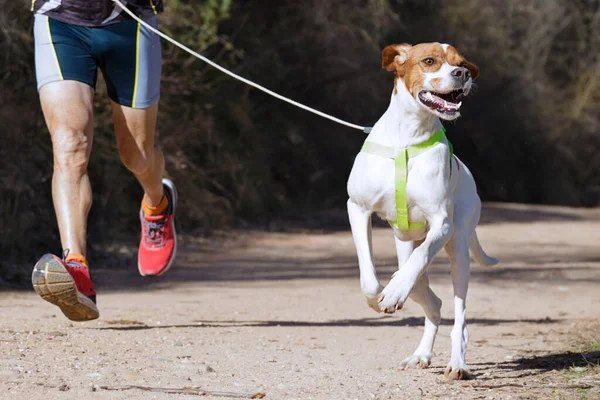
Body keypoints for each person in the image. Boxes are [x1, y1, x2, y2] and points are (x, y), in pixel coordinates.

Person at [29, 0, 177, 322]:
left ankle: (157, 206)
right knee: (69, 145)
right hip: (60, 20)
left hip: (130, 23)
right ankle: (76, 267)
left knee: (136, 155)